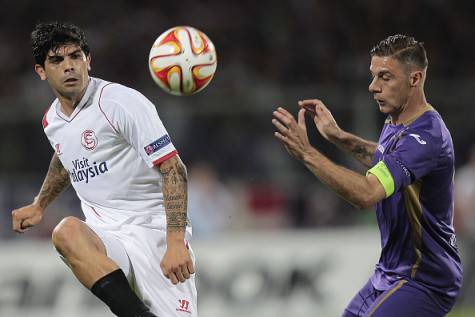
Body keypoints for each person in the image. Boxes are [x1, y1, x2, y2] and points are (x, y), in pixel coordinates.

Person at [11, 22, 197, 317]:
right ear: (41, 71)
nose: (69, 67)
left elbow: (173, 168)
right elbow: (64, 157)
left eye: (75, 57)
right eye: (57, 61)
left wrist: (175, 242)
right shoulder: (52, 120)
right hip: (106, 237)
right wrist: (39, 204)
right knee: (66, 231)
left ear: (89, 60)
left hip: (153, 235)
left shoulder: (121, 103)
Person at [272, 34, 462, 317]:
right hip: (391, 271)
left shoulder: (426, 137)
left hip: (424, 278)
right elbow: (386, 157)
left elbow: (367, 193)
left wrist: (307, 154)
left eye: (385, 77)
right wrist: (339, 137)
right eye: (374, 76)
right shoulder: (398, 120)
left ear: (415, 78)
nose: (373, 87)